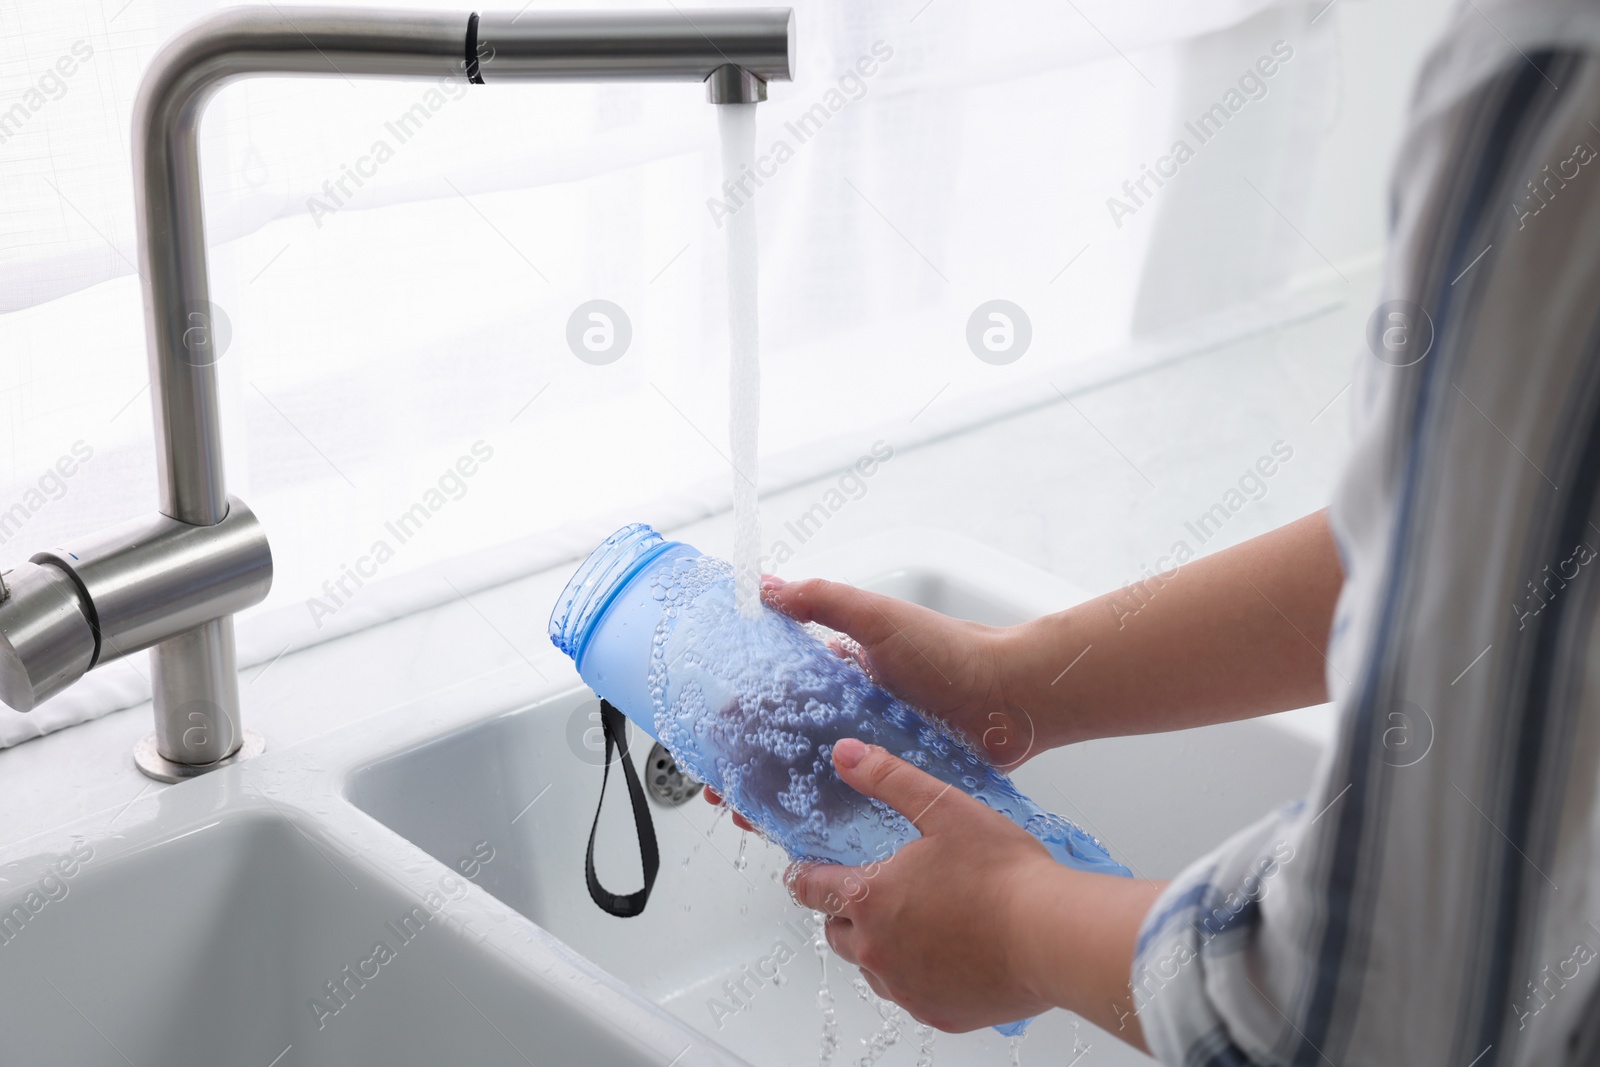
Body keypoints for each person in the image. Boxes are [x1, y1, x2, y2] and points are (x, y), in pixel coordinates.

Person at [707, 2, 1600, 1061]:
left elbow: (1374, 1007)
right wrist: (1020, 685)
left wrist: (1012, 922)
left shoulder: (1555, 81)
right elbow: (1520, 542)